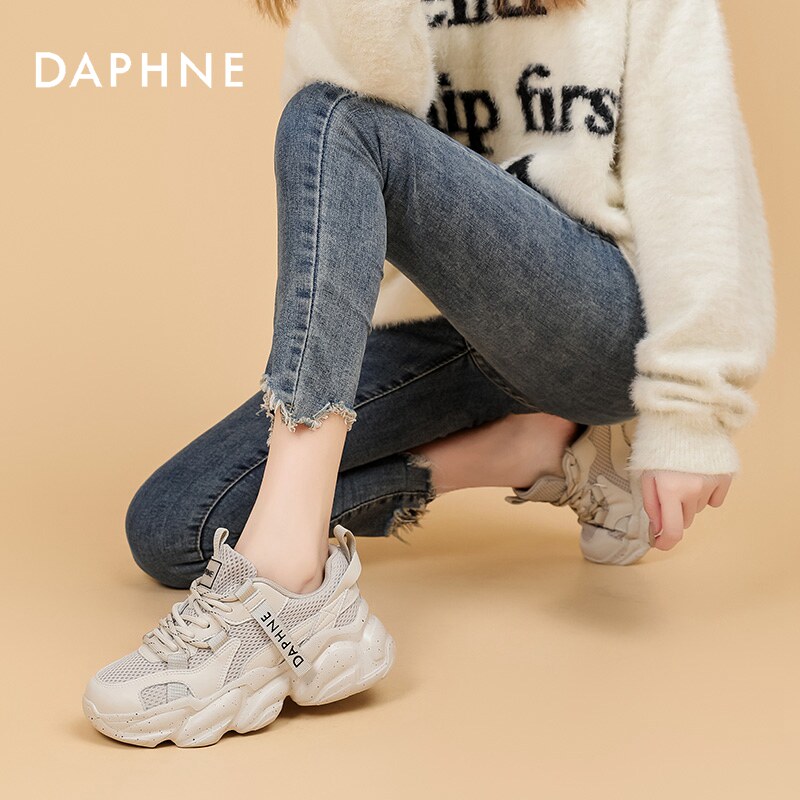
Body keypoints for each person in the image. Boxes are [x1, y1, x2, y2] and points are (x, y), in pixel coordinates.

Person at [82, 0, 776, 747]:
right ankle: (535, 450)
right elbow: (342, 185)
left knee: (328, 119)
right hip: (439, 331)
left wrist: (689, 413)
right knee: (174, 526)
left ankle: (285, 583)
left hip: (590, 323)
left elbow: (700, 188)